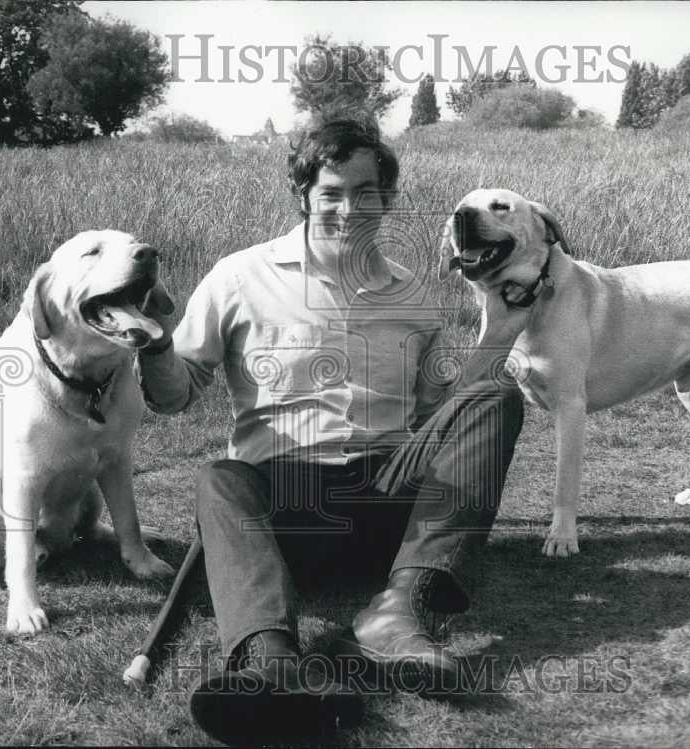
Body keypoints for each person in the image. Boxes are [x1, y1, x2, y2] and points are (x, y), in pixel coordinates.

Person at [137, 117, 532, 744]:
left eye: (367, 192)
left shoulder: (411, 292)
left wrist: (503, 335)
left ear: (388, 200)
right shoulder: (240, 278)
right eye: (332, 193)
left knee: (492, 395)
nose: (350, 209)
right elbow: (174, 397)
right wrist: (154, 345)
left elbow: (445, 411)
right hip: (287, 510)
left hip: (388, 504)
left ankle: (400, 609)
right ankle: (272, 662)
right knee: (220, 476)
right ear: (304, 196)